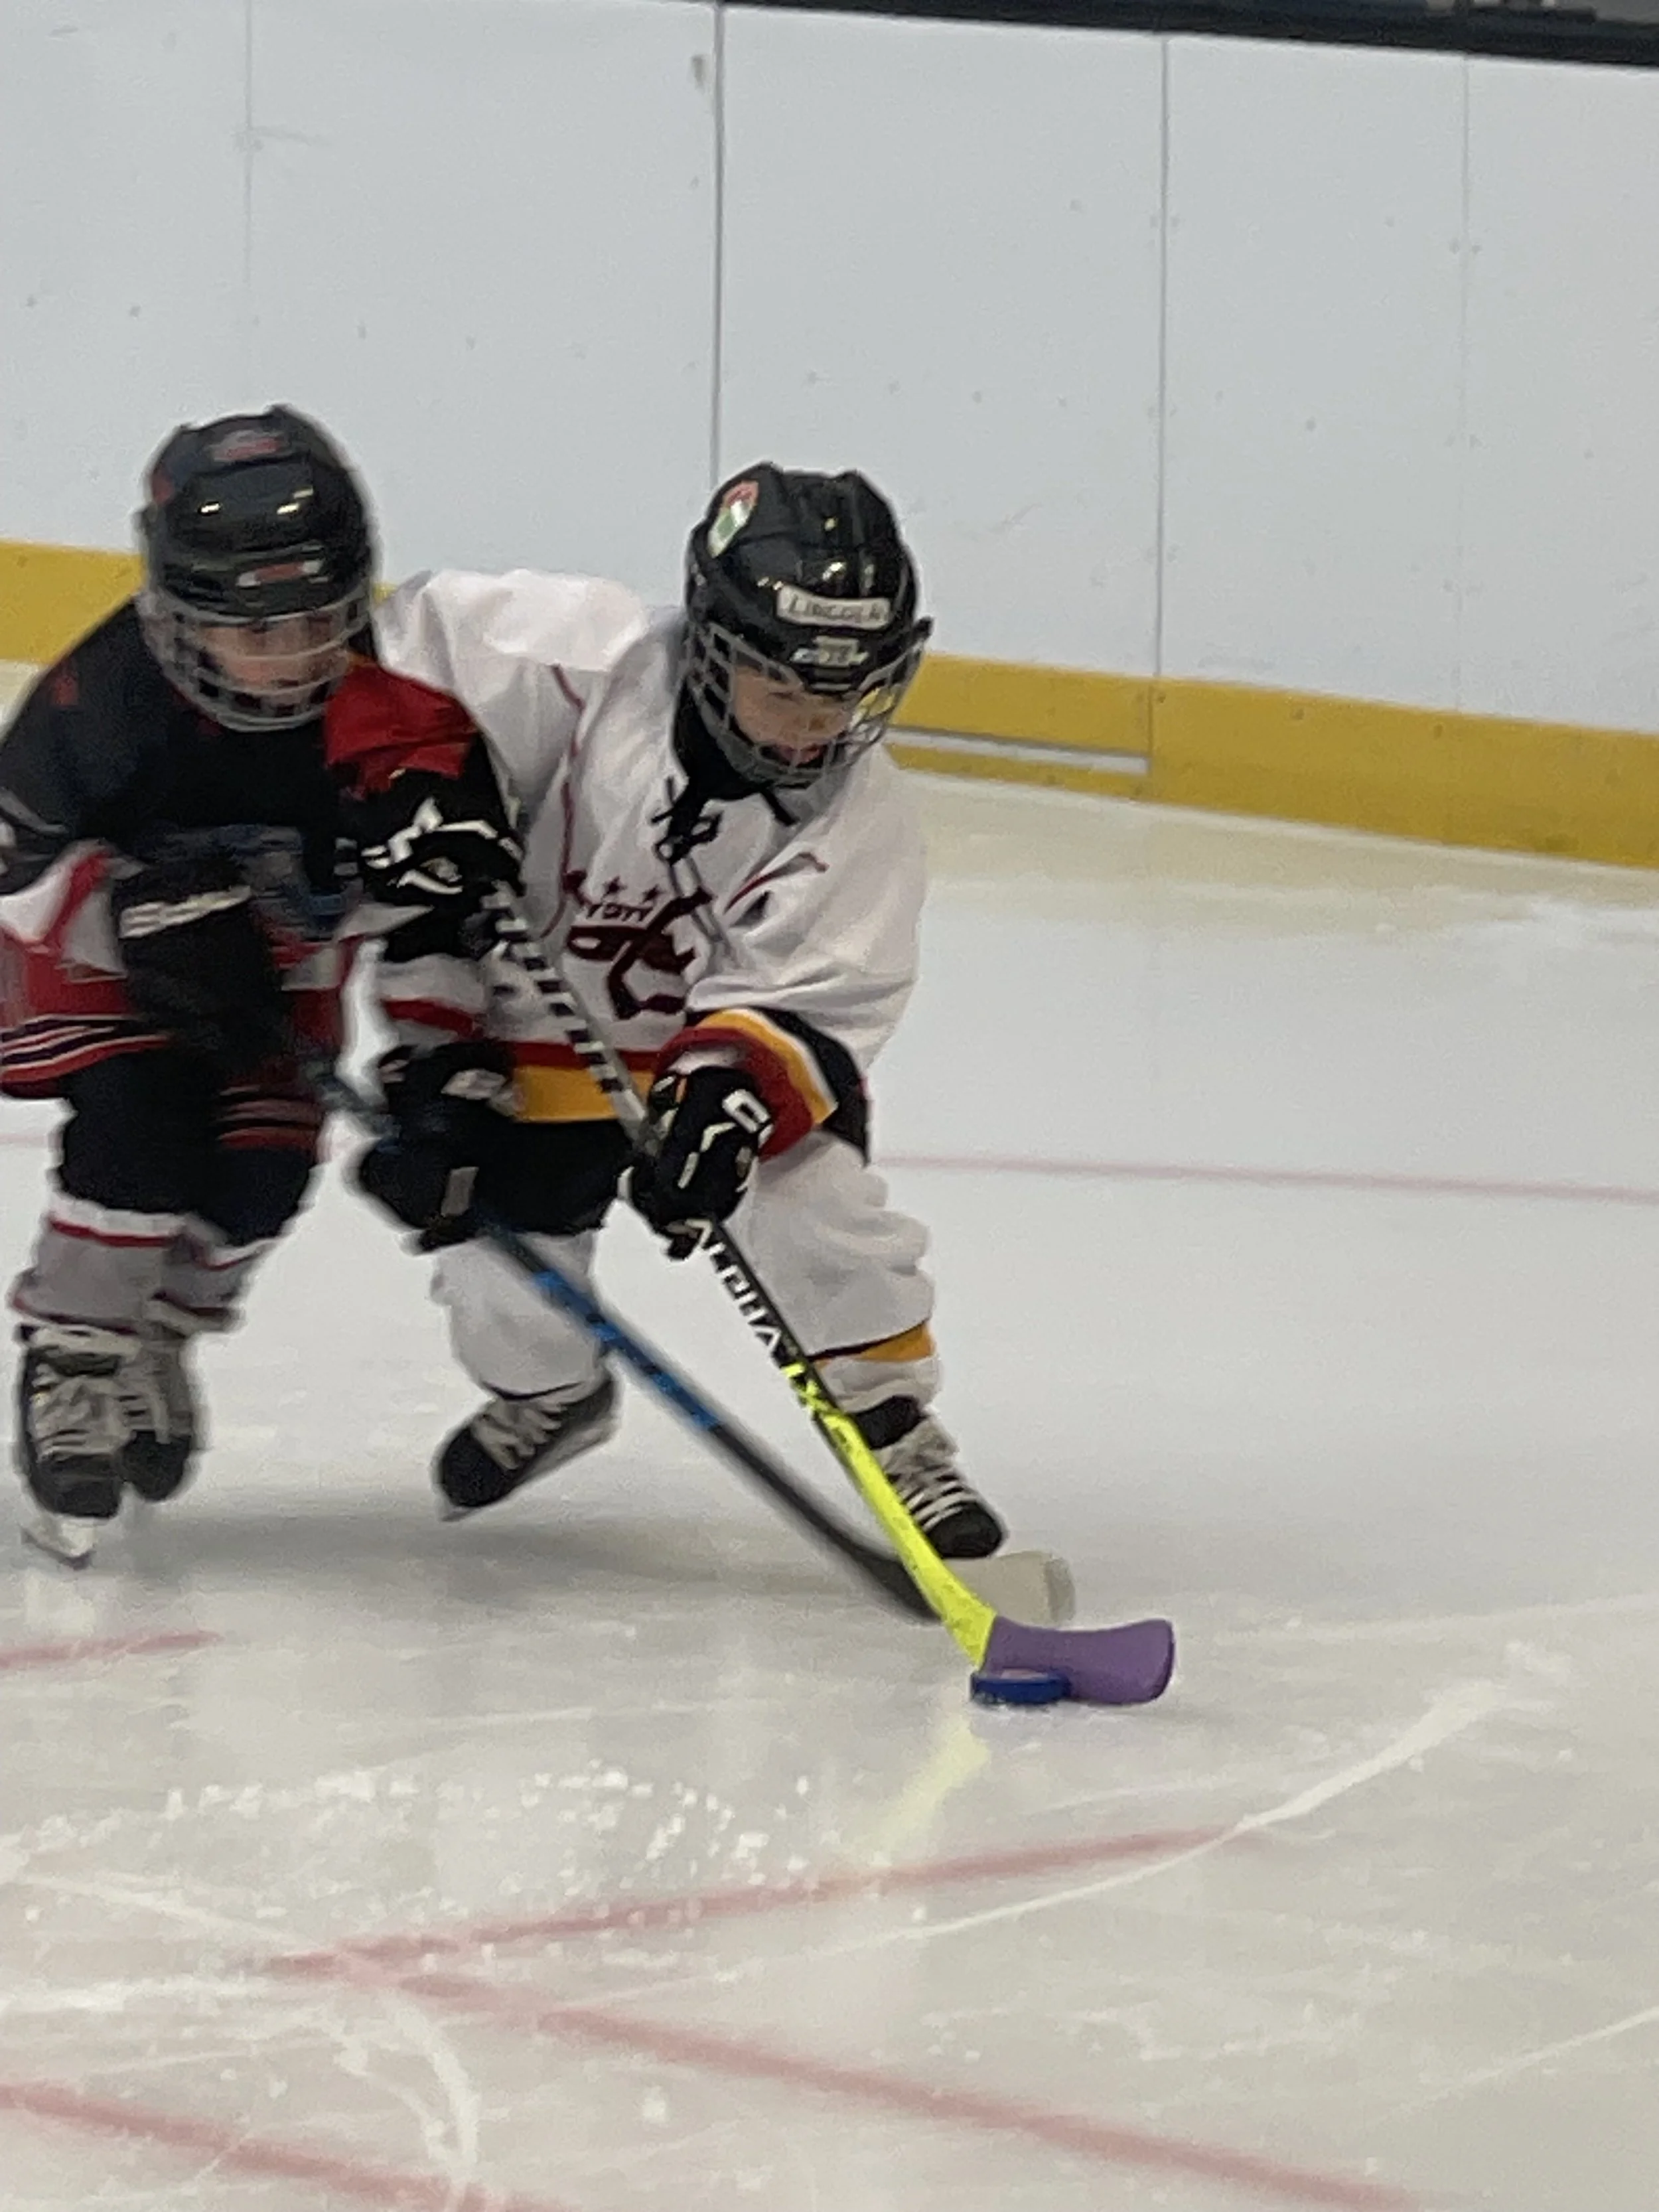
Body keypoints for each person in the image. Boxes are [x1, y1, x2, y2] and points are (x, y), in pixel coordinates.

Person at [332, 462, 1007, 1560]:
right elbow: (384, 660)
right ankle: (553, 1395)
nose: (812, 728)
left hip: (714, 1062)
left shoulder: (860, 812)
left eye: (843, 693)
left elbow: (814, 999)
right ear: (711, 645)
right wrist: (417, 777)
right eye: (784, 689)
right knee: (495, 1261)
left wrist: (730, 1102)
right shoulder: (564, 657)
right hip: (531, 1042)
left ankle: (894, 1427)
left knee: (817, 1210)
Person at [0, 406, 373, 1563]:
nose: (286, 656)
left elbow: (435, 877)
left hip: (277, 948)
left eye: (315, 622)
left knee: (265, 1169)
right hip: (110, 947)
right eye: (246, 629)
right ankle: (72, 1350)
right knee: (145, 1126)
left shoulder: (395, 704)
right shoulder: (91, 707)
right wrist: (141, 905)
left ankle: (159, 1328)